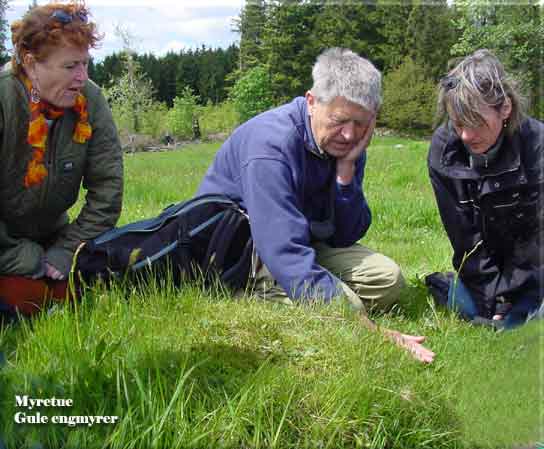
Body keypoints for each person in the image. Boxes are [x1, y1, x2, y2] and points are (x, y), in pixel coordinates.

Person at [198, 48, 435, 363]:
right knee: (345, 307)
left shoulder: (346, 143)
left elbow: (346, 235)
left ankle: (308, 293)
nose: (350, 134)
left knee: (388, 281)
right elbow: (282, 250)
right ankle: (244, 293)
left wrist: (346, 173)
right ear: (311, 102)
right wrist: (370, 331)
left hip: (301, 239)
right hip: (242, 252)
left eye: (361, 123)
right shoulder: (270, 146)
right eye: (339, 120)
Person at [0, 2, 123, 317]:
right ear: (30, 63)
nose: (81, 78)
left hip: (54, 238)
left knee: (94, 290)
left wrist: (68, 248)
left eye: (85, 64)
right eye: (70, 67)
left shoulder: (90, 101)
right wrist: (18, 256)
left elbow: (107, 189)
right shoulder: (4, 99)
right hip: (4, 245)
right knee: (23, 300)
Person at [427, 49, 543, 329]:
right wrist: (494, 299)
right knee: (482, 312)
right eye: (458, 124)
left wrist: (513, 294)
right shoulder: (444, 151)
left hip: (535, 264)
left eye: (477, 122)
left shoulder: (537, 144)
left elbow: (536, 237)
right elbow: (465, 240)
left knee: (527, 316)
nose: (466, 136)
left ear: (505, 109)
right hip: (482, 268)